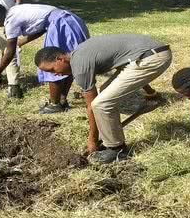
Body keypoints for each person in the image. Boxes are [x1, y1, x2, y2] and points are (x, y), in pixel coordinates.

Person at [35, 34, 172, 164]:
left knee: (101, 103)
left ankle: (117, 149)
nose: (56, 75)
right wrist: (151, 94)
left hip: (152, 57)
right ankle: (111, 138)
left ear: (60, 59)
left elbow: (91, 106)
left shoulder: (79, 66)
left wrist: (92, 140)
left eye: (52, 70)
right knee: (103, 95)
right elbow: (124, 61)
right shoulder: (81, 52)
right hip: (150, 53)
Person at [0, 1, 90, 113]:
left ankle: (54, 104)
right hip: (70, 21)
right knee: (67, 63)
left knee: (52, 64)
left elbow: (10, 52)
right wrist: (21, 42)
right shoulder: (15, 10)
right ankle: (62, 100)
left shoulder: (10, 21)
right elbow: (41, 28)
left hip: (60, 25)